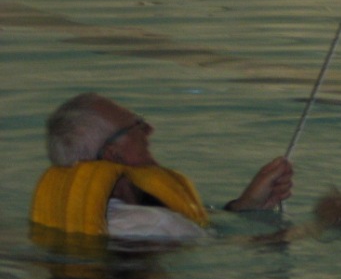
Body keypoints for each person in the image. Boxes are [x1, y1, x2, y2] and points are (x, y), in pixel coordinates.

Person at [31, 92, 295, 240]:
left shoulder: (57, 221)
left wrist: (243, 207)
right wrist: (327, 222)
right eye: (136, 126)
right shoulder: (156, 224)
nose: (149, 130)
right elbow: (242, 248)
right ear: (114, 154)